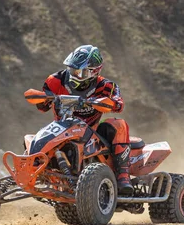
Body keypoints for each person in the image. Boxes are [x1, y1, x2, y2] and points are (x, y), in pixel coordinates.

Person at [35, 45, 133, 195]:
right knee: (32, 139)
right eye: (71, 69)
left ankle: (123, 177)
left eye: (78, 71)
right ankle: (31, 169)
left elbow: (118, 105)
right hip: (61, 129)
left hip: (90, 132)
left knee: (118, 124)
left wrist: (101, 102)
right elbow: (42, 107)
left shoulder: (106, 86)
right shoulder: (55, 80)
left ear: (93, 71)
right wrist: (43, 99)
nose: (73, 74)